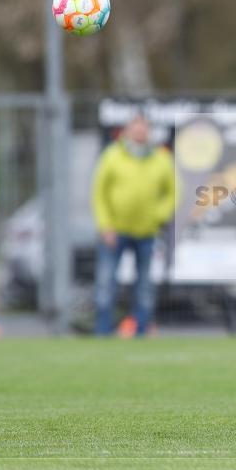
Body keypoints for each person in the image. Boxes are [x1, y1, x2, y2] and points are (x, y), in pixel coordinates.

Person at [91, 113, 177, 336]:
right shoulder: (112, 156)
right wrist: (105, 225)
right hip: (115, 231)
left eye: (143, 128)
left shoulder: (160, 158)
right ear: (127, 131)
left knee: (144, 286)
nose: (140, 133)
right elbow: (99, 193)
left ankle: (141, 330)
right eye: (135, 128)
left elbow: (173, 192)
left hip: (146, 231)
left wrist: (159, 216)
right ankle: (102, 331)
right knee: (106, 282)